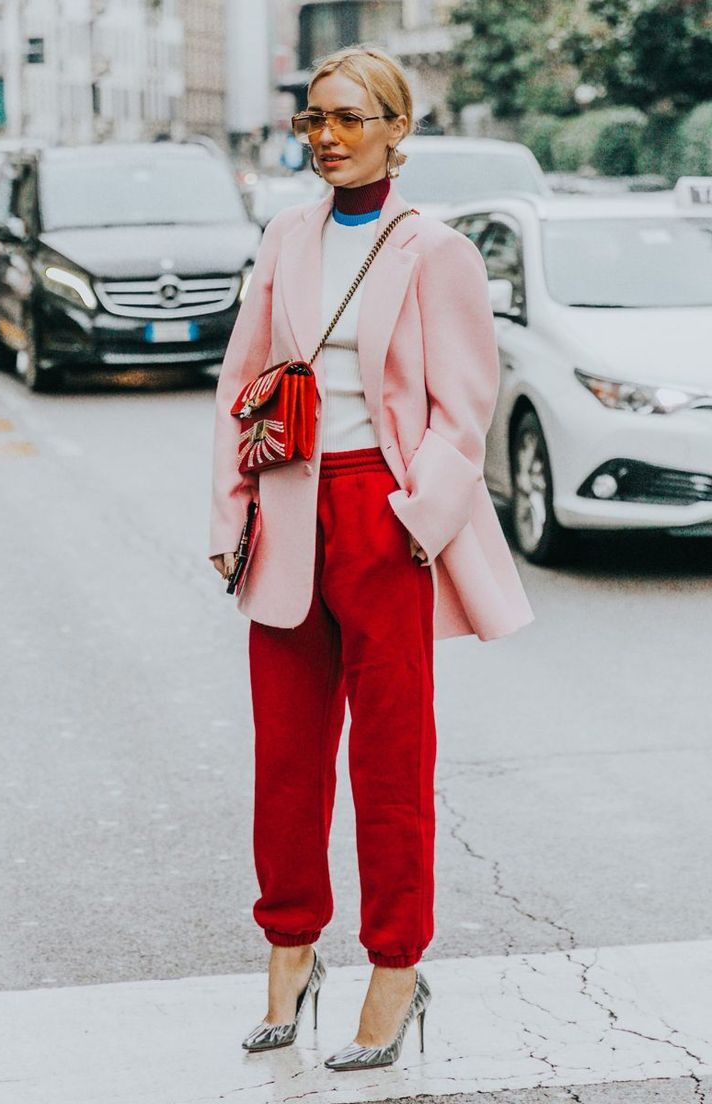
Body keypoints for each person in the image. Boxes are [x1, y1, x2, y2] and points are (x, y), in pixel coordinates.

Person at [209, 44, 535, 1072]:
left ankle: (396, 967)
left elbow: (463, 404)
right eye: (315, 119)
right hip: (288, 507)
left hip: (381, 517)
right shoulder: (284, 236)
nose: (327, 137)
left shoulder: (434, 249)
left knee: (391, 763)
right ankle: (290, 950)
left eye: (350, 118)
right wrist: (231, 520)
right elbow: (243, 383)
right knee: (284, 761)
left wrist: (414, 518)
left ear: (398, 129)